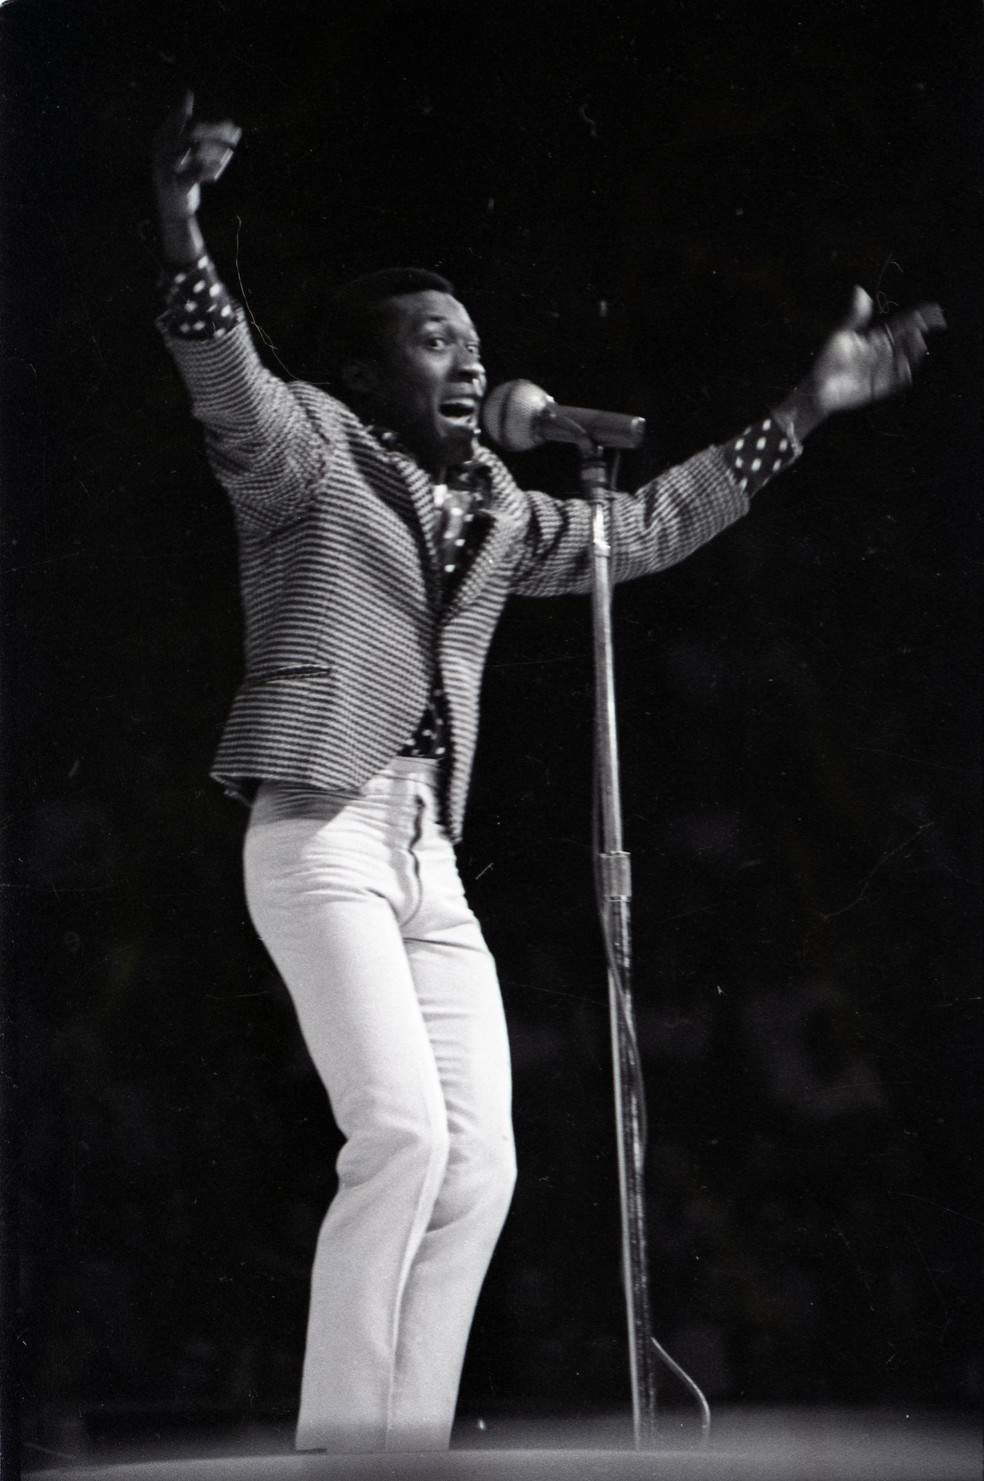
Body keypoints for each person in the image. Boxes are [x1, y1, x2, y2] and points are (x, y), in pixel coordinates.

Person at [150, 94, 944, 1454]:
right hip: (321, 830)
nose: (468, 362)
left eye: (473, 340)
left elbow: (648, 520)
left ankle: (405, 1444)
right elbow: (220, 359)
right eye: (433, 341)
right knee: (397, 1133)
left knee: (482, 1162)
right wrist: (177, 217)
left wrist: (807, 406)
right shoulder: (303, 453)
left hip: (424, 857)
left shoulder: (504, 513)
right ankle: (344, 1449)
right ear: (365, 370)